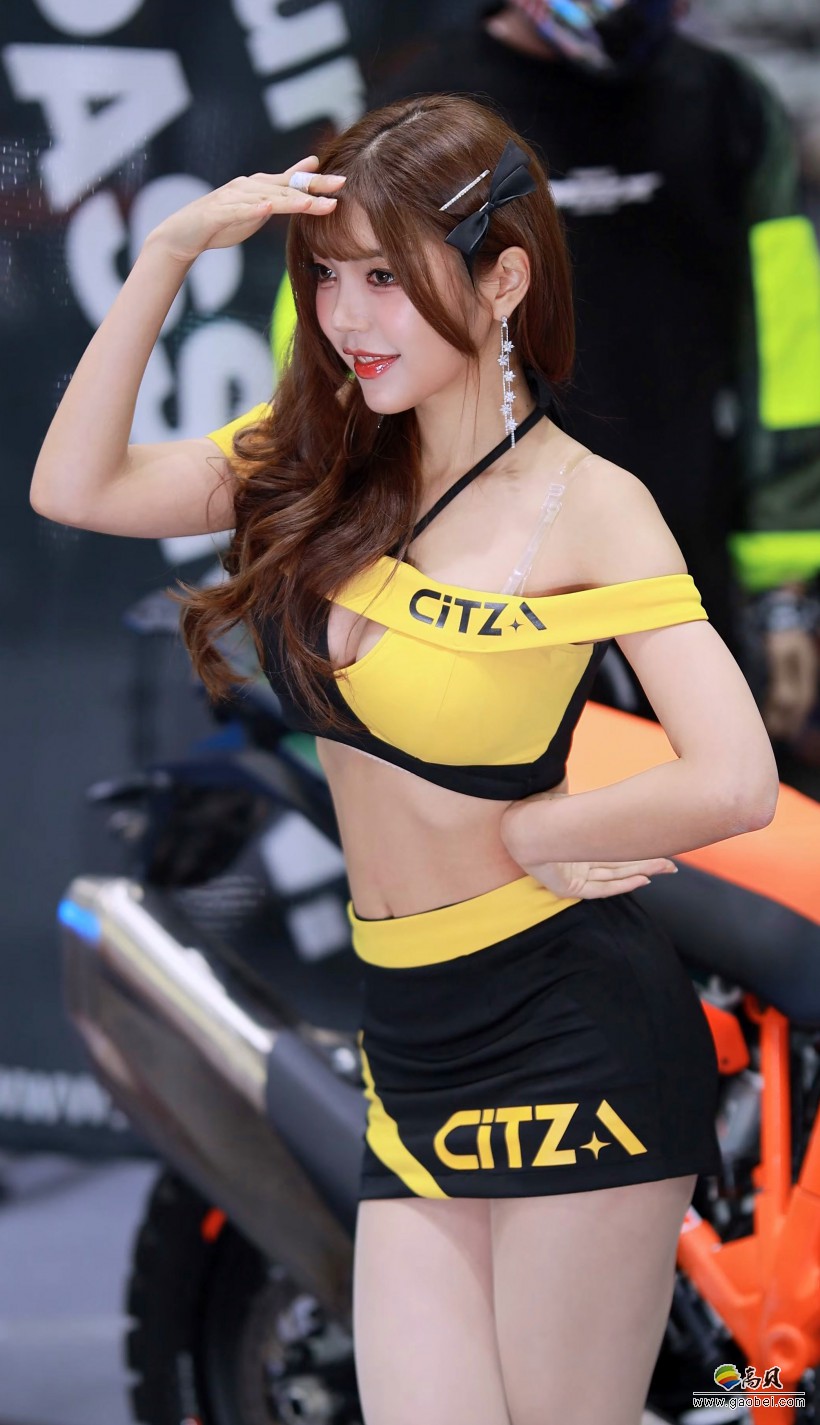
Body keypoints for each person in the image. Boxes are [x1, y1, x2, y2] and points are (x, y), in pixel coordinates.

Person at [31, 95, 778, 1425]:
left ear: (503, 283)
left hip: (569, 1037)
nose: (345, 316)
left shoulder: (591, 506)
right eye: (328, 277)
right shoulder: (318, 465)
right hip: (413, 1042)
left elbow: (733, 775)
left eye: (385, 278)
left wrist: (541, 832)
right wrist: (166, 256)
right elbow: (73, 487)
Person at [365, 0, 820, 761]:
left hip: (680, 564)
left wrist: (783, 589)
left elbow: (787, 359)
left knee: (699, 810)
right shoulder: (420, 113)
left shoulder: (725, 103)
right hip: (467, 579)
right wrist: (349, 546)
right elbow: (338, 353)